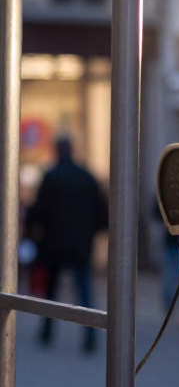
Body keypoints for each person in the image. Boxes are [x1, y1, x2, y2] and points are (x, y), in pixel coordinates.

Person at [26, 136, 108, 352]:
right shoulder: (86, 177)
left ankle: (47, 331)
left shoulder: (51, 177)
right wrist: (92, 233)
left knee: (51, 293)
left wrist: (32, 235)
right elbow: (101, 213)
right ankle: (90, 336)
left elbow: (38, 212)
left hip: (54, 245)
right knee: (84, 291)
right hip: (81, 245)